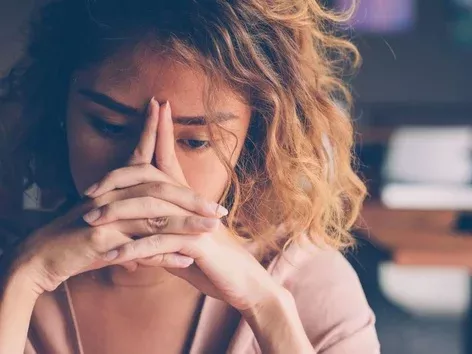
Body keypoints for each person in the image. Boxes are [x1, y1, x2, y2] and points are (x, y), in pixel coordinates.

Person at [0, 0, 380, 353]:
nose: (145, 168)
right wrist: (21, 283)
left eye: (196, 141)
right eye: (110, 126)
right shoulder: (15, 265)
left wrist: (268, 308)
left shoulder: (310, 287)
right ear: (60, 109)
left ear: (255, 139)